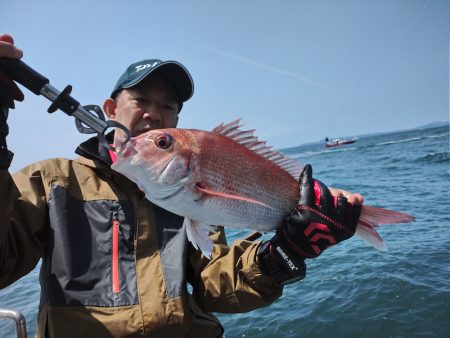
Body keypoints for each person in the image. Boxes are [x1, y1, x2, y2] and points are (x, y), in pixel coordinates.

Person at [0, 34, 363, 338]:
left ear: (176, 120)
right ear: (111, 108)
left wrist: (282, 255)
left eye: (168, 107)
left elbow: (216, 285)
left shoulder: (184, 189)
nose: (153, 114)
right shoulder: (53, 181)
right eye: (140, 100)